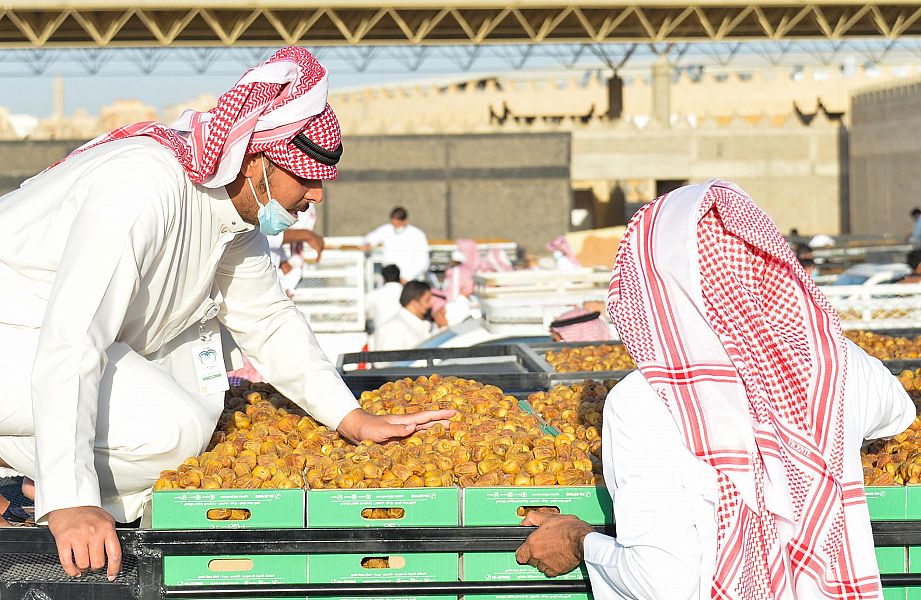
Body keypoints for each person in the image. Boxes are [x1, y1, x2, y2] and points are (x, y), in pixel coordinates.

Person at [0, 47, 453, 580]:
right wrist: (71, 500)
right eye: (306, 176)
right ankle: (52, 491)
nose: (316, 194)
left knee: (197, 417)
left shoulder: (232, 218)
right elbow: (73, 338)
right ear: (256, 160)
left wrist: (349, 417)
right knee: (174, 429)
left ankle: (45, 485)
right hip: (23, 337)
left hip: (50, 344)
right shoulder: (143, 188)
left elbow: (269, 320)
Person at [515, 180, 914, 599]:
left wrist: (579, 540)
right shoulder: (839, 364)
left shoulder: (646, 400)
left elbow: (662, 583)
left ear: (649, 281)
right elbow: (898, 413)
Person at [266, 207, 325, 296]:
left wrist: (286, 267)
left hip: (269, 287)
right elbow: (264, 236)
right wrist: (307, 235)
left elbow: (269, 243)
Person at [362, 207, 430, 283]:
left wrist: (408, 277)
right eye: (394, 224)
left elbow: (423, 262)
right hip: (390, 279)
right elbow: (370, 238)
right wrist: (368, 244)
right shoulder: (387, 229)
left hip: (411, 280)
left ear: (405, 221)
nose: (396, 227)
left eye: (398, 224)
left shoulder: (417, 234)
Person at [372, 281, 438, 352]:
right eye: (427, 300)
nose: (430, 305)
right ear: (413, 303)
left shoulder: (416, 325)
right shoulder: (395, 329)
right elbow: (390, 358)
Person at [366, 264, 403, 330]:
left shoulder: (374, 294)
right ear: (399, 276)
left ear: (383, 278)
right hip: (406, 334)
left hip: (382, 334)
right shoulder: (407, 293)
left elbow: (365, 313)